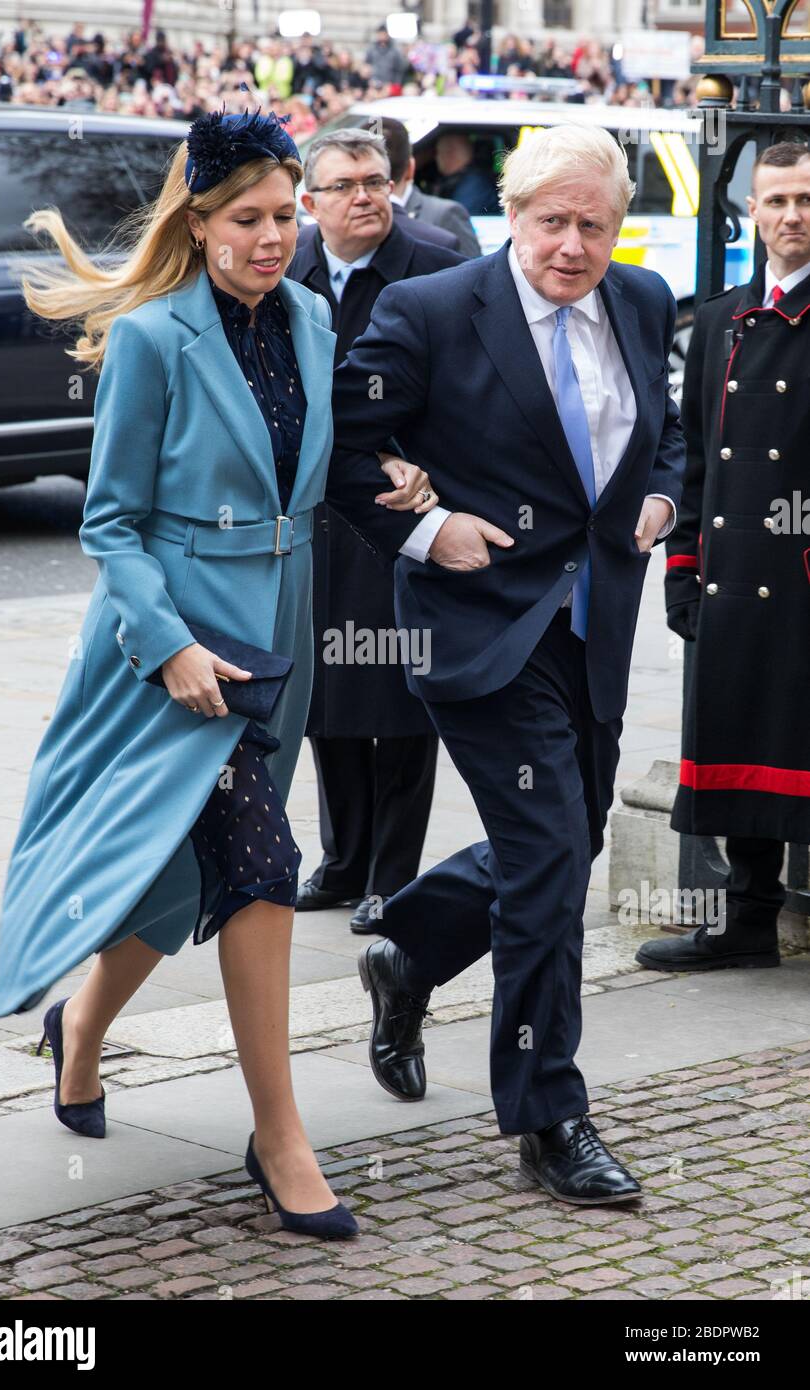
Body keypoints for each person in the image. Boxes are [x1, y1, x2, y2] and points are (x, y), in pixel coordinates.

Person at [0, 108, 438, 1240]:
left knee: (181, 872)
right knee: (260, 861)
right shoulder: (152, 336)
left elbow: (315, 470)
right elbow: (111, 525)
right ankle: (279, 1137)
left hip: (274, 646)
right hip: (174, 653)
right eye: (249, 218)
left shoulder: (314, 318)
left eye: (288, 215)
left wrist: (396, 483)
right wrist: (174, 647)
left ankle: (81, 1032)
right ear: (198, 220)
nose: (275, 236)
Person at [329, 123, 685, 1205]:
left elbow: (658, 434)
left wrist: (665, 494)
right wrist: (431, 529)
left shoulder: (638, 300)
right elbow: (346, 447)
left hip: (591, 623)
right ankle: (547, 1115)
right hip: (478, 625)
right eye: (551, 222)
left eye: (594, 226)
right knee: (545, 862)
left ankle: (409, 947)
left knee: (559, 842)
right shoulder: (431, 309)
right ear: (510, 215)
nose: (572, 246)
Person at [637, 140, 810, 974]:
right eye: (776, 201)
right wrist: (683, 568)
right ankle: (746, 923)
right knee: (742, 737)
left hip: (805, 575)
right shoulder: (718, 319)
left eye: (806, 200)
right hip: (735, 572)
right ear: (753, 211)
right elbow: (693, 460)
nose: (791, 217)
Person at [288, 128, 466, 932]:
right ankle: (341, 858)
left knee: (397, 700)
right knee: (325, 698)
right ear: (310, 201)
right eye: (344, 185)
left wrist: (424, 464)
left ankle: (391, 876)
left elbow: (473, 393)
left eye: (375, 180)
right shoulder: (285, 266)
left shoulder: (437, 263)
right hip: (312, 515)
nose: (365, 196)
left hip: (399, 512)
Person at [382, 116, 481, 259]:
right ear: (411, 168)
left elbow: (473, 274)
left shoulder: (446, 214)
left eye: (438, 152)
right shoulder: (359, 215)